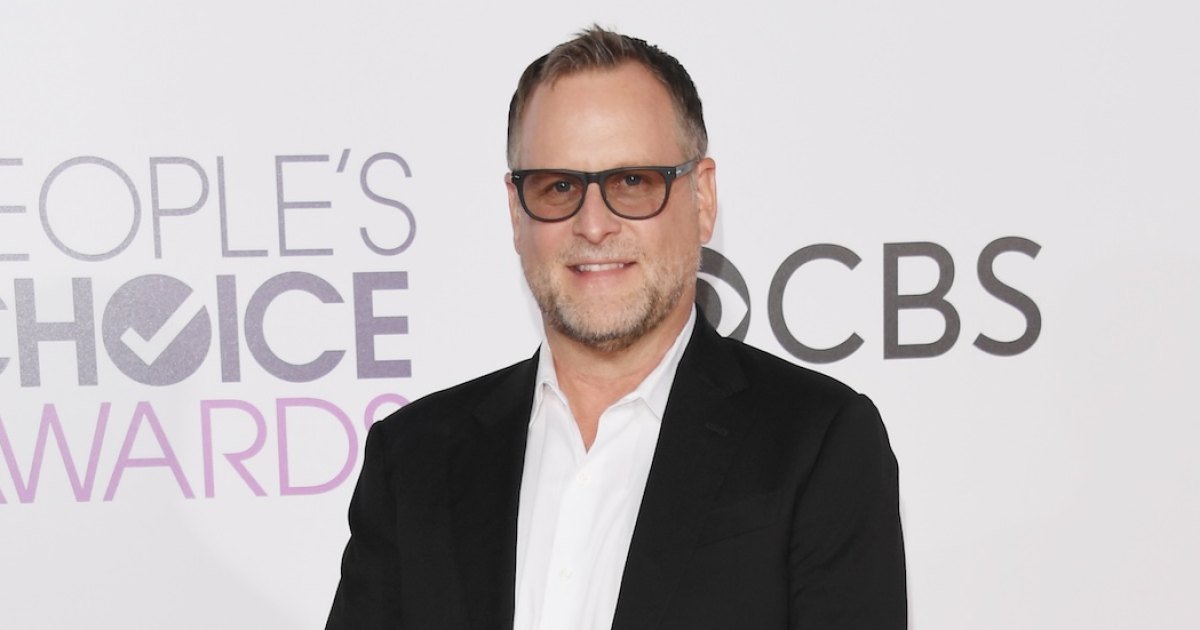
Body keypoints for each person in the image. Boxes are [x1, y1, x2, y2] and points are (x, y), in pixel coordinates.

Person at [326, 26, 906, 630]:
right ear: (517, 213)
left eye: (632, 182)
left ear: (702, 198)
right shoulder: (413, 459)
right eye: (558, 187)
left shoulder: (817, 443)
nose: (594, 224)